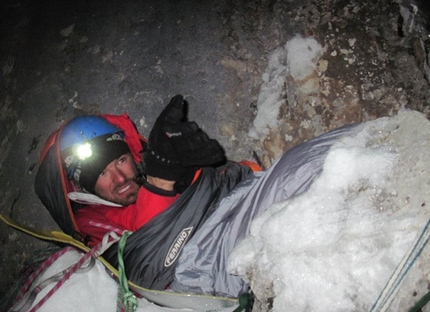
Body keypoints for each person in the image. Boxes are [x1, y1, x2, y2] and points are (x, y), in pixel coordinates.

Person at [35, 94, 364, 297]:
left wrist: (223, 172)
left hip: (240, 209)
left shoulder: (157, 170)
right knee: (311, 173)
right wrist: (161, 182)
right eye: (101, 175)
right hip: (207, 261)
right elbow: (147, 268)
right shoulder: (97, 233)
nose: (120, 177)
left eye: (120, 160)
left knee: (332, 152)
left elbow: (230, 182)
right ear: (84, 190)